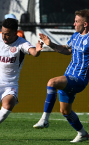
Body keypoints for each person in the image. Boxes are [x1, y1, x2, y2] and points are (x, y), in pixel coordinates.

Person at [33, 9, 89, 143]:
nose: (74, 24)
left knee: (52, 82)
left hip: (80, 79)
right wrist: (50, 44)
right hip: (68, 76)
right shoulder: (75, 36)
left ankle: (44, 120)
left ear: (85, 24)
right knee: (65, 111)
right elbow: (66, 50)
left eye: (76, 22)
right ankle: (82, 133)